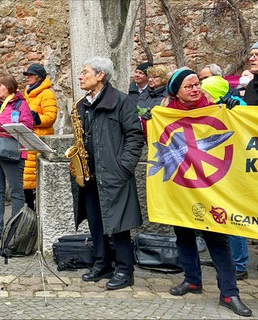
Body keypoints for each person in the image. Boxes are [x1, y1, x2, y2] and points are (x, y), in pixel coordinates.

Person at [149, 68, 252, 317]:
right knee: (183, 234)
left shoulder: (216, 106)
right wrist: (149, 120)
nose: (195, 89)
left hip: (212, 188)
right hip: (182, 186)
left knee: (218, 241)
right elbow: (156, 141)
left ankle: (229, 292)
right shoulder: (167, 111)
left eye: (197, 84)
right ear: (177, 91)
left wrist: (235, 104)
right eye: (189, 86)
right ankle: (192, 280)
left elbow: (240, 121)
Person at [73, 56, 144, 290]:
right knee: (95, 220)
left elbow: (135, 136)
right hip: (89, 174)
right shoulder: (81, 105)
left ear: (100, 75)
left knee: (119, 223)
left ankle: (124, 270)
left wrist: (124, 167)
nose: (80, 76)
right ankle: (102, 263)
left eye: (85, 72)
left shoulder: (122, 102)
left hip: (114, 174)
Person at [200, 75, 249, 281]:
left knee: (234, 219)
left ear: (217, 94)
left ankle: (240, 264)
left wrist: (236, 105)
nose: (203, 97)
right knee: (218, 216)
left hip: (234, 169)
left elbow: (246, 118)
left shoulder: (235, 104)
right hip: (219, 167)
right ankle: (225, 257)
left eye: (206, 94)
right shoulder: (210, 108)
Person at [0, 75, 33, 243]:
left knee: (16, 193)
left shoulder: (20, 104)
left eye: (0, 85)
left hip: (12, 153)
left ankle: (15, 230)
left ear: (9, 87)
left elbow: (26, 126)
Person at [22, 63, 58, 211]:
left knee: (35, 178)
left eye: (29, 75)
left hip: (39, 139)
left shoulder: (47, 93)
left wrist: (34, 118)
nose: (27, 78)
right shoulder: (27, 92)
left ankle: (39, 211)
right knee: (26, 178)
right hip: (27, 138)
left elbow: (51, 117)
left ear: (38, 77)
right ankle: (29, 210)